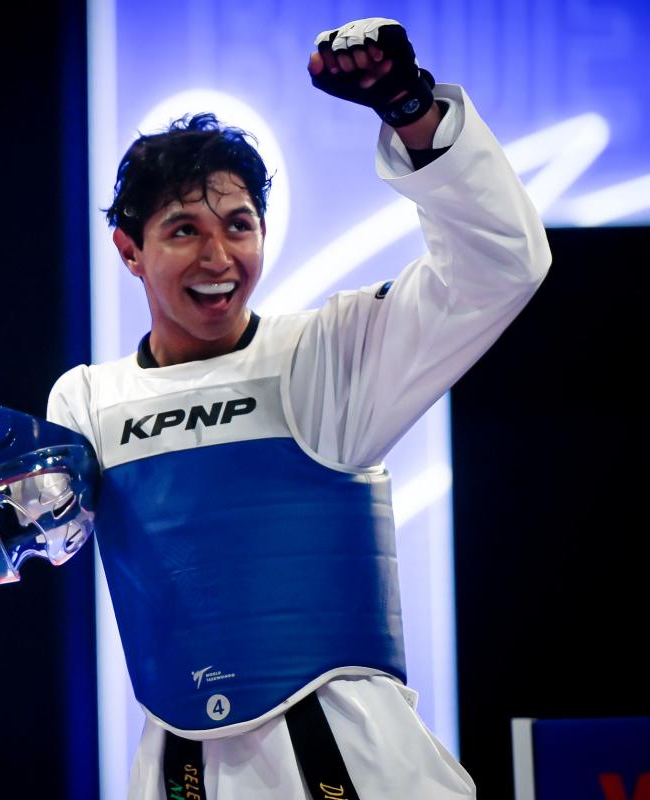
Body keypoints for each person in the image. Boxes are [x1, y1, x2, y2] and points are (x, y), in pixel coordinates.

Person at [45, 17, 551, 800]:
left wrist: (410, 109)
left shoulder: (328, 356)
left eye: (238, 225)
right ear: (127, 249)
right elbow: (30, 538)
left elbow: (503, 265)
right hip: (179, 772)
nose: (219, 259)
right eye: (184, 230)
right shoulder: (84, 400)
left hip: (360, 769)